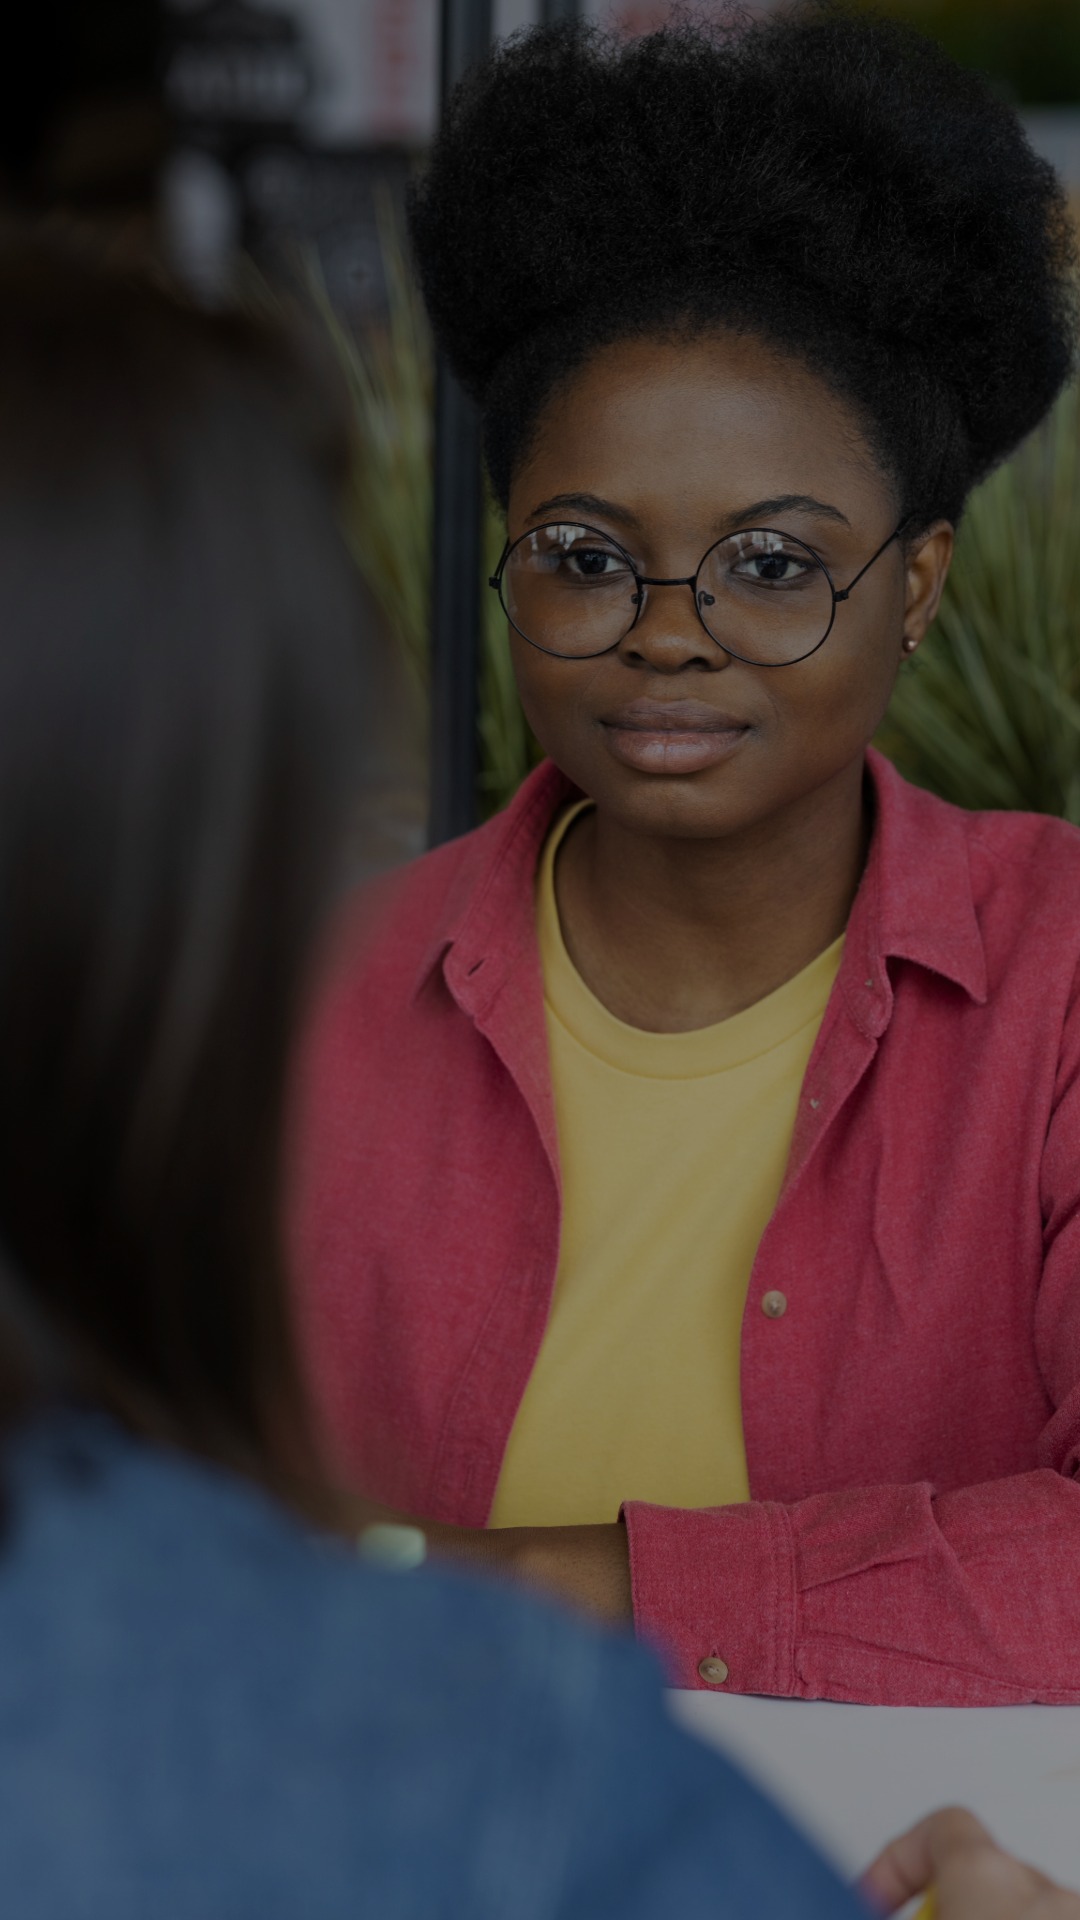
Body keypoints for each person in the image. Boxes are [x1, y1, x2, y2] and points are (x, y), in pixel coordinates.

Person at [291, 8, 1080, 1704]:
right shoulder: (320, 1005)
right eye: (584, 555)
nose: (669, 637)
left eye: (775, 567)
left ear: (922, 582)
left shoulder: (1064, 982)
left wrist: (582, 1588)